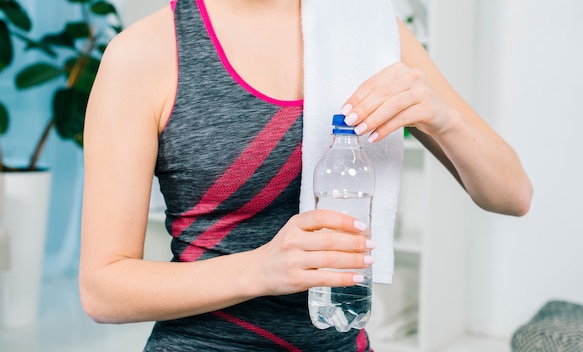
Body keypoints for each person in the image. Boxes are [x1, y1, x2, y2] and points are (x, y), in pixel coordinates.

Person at [79, 0, 533, 351]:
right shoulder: (144, 54)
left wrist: (442, 117)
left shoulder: (367, 32)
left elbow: (513, 194)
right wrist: (262, 269)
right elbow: (103, 289)